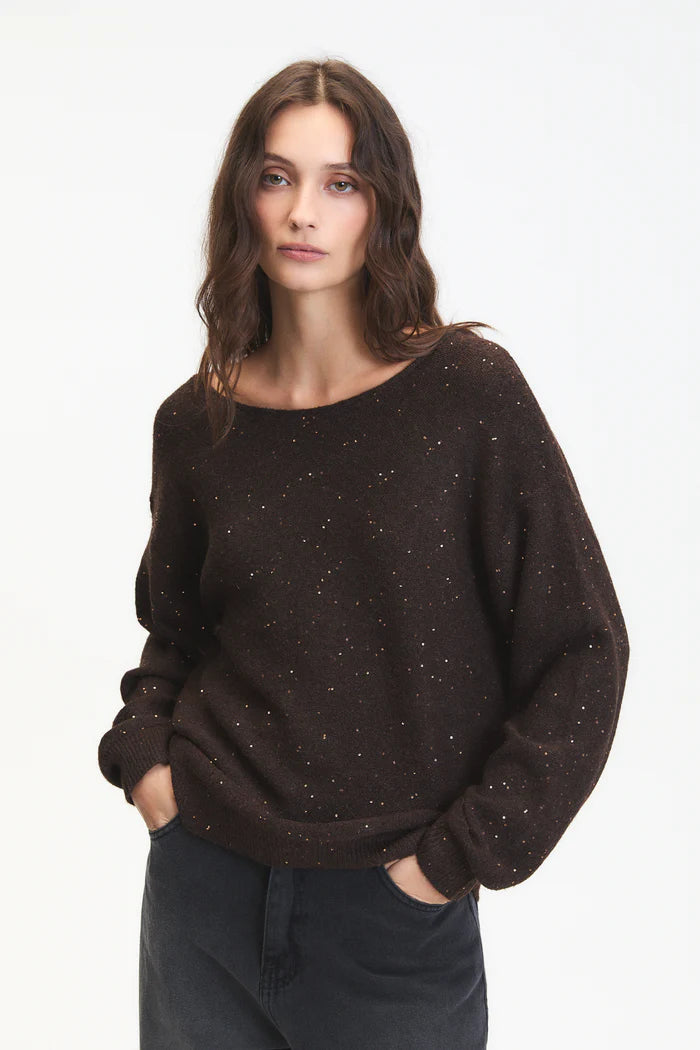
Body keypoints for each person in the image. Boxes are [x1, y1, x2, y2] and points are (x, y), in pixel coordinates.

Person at [98, 58, 630, 1050]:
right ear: (242, 198)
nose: (303, 211)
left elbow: (582, 651)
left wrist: (451, 862)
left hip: (393, 922)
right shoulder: (195, 425)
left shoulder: (468, 395)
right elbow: (174, 637)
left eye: (340, 182)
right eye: (276, 176)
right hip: (201, 894)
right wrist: (149, 771)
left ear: (382, 205)